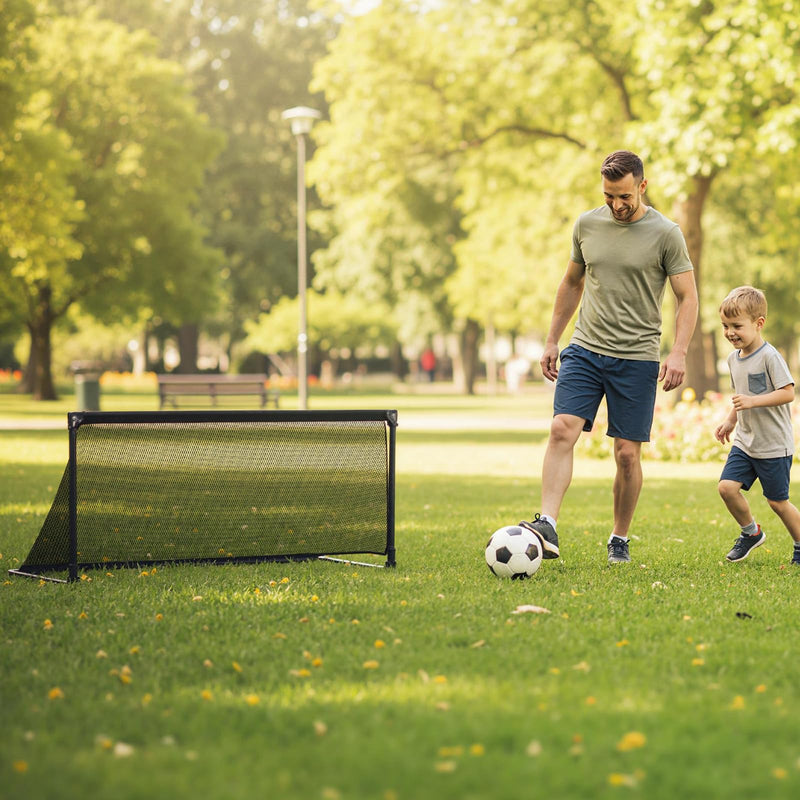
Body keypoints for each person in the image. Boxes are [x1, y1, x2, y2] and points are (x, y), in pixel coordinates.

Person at [519, 150, 698, 564]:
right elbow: (571, 282)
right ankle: (547, 523)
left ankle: (619, 536)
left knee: (626, 455)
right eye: (609, 196)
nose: (617, 205)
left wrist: (679, 351)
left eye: (624, 197)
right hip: (585, 348)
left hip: (637, 358)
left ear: (642, 186)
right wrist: (552, 340)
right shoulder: (587, 224)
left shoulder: (666, 233)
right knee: (562, 429)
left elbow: (687, 297)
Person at [713, 286, 800, 564]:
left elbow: (788, 393)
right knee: (726, 487)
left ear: (758, 323)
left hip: (774, 445)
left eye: (737, 325)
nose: (730, 332)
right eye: (725, 326)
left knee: (777, 502)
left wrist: (753, 401)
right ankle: (751, 533)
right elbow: (740, 398)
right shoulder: (732, 359)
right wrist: (730, 420)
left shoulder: (769, 356)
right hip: (746, 442)